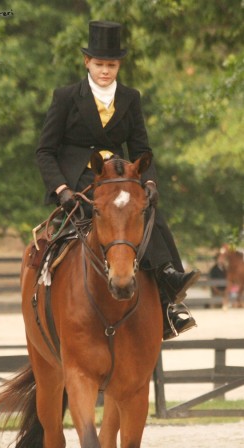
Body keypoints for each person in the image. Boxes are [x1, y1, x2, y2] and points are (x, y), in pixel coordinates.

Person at [36, 20, 200, 339]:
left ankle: (170, 291)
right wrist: (61, 188)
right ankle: (46, 307)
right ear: (87, 62)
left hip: (120, 178)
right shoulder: (66, 96)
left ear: (118, 65)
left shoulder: (130, 97)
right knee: (77, 232)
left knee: (147, 211)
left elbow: (141, 148)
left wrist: (149, 183)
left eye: (111, 64)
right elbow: (44, 151)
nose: (105, 71)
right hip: (79, 183)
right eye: (99, 64)